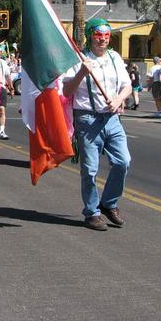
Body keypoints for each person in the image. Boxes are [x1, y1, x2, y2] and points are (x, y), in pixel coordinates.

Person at [62, 18, 132, 231]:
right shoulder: (78, 58)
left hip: (111, 118)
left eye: (106, 35)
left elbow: (127, 85)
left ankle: (109, 203)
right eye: (98, 35)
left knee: (123, 161)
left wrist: (119, 100)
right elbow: (66, 92)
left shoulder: (114, 57)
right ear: (90, 35)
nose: (102, 39)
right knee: (90, 170)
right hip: (87, 119)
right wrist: (82, 72)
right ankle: (92, 213)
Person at [0, 45, 14, 139]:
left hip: (1, 88)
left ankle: (2, 131)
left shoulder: (4, 63)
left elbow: (8, 76)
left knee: (2, 110)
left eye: (0, 51)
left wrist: (11, 88)